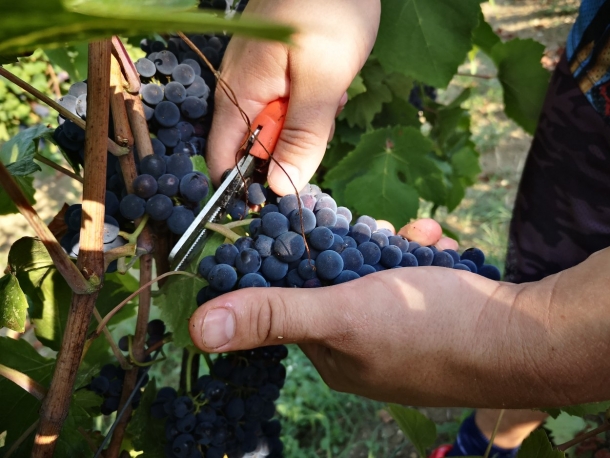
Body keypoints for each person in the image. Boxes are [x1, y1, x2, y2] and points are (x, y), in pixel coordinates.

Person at [190, 0, 610, 456]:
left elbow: (545, 328)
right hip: (597, 66)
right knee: (543, 277)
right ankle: (482, 441)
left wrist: (518, 341)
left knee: (553, 328)